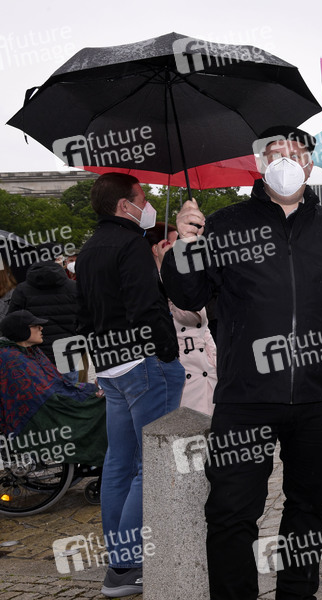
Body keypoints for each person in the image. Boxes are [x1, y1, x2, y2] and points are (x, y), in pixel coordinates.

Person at [160, 126, 322, 600]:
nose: (287, 161)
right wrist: (184, 245)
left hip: (320, 394)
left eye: (296, 152)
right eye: (275, 153)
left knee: (308, 508)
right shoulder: (224, 224)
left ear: (310, 163)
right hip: (245, 396)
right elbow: (189, 296)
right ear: (261, 164)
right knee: (230, 511)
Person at [76, 172, 185, 598]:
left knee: (119, 463)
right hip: (144, 365)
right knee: (150, 463)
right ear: (125, 205)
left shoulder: (89, 248)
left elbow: (83, 314)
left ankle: (121, 560)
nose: (147, 205)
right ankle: (125, 564)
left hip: (111, 368)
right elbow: (146, 308)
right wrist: (167, 354)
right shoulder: (131, 244)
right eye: (142, 198)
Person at [0, 309, 106, 468]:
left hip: (51, 401)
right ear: (21, 331)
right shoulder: (14, 359)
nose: (41, 328)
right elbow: (46, 397)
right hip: (42, 412)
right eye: (35, 326)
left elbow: (57, 383)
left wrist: (86, 388)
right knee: (101, 406)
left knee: (98, 395)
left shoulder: (30, 351)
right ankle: (100, 459)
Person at [148, 224, 217, 415]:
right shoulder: (151, 283)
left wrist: (215, 360)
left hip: (208, 369)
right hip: (183, 371)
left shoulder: (187, 279)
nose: (178, 246)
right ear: (156, 249)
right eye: (173, 242)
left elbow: (203, 326)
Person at [9, 258, 80, 382]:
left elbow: (12, 322)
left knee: (41, 391)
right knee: (71, 390)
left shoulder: (22, 290)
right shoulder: (74, 287)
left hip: (36, 352)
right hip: (67, 350)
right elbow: (85, 319)